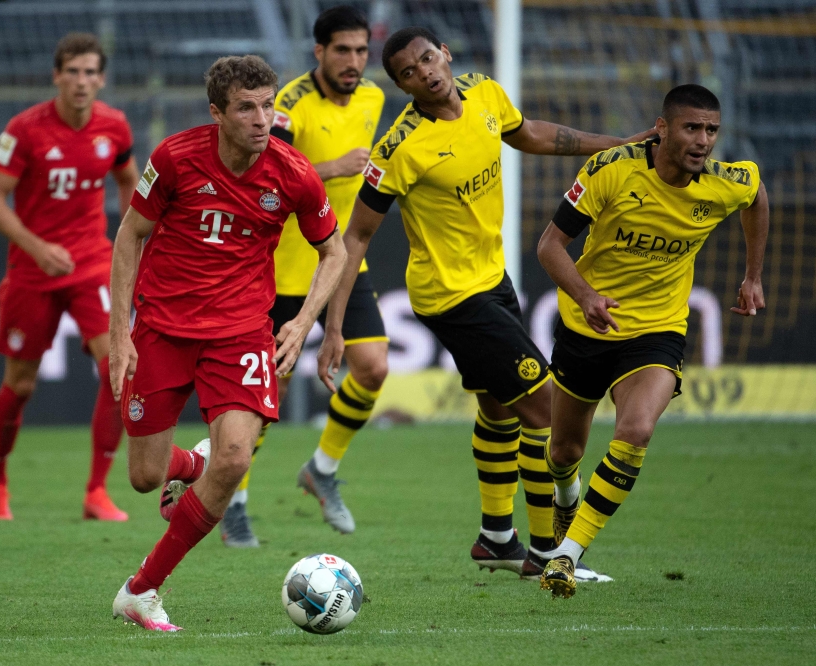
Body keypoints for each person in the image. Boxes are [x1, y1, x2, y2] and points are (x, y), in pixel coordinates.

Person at [316, 26, 653, 580]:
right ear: (403, 86)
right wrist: (335, 326)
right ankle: (549, 555)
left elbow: (533, 134)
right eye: (409, 71)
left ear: (445, 54)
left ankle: (497, 538)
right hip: (452, 297)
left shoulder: (486, 93)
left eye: (428, 58)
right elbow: (354, 238)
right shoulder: (401, 148)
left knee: (500, 409)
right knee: (544, 407)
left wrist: (618, 145)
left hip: (491, 279)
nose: (424, 72)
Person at [108, 55, 346, 631]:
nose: (262, 118)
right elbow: (129, 236)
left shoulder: (294, 173)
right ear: (217, 112)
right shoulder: (173, 158)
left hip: (240, 331)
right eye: (246, 107)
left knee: (238, 457)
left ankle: (142, 590)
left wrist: (303, 320)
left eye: (268, 105)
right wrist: (121, 334)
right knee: (144, 477)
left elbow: (334, 250)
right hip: (162, 328)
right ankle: (195, 463)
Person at [535, 84, 769, 598]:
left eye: (711, 130)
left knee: (636, 430)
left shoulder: (727, 180)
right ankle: (563, 502)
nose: (703, 140)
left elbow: (756, 196)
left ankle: (566, 557)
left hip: (657, 331)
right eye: (692, 127)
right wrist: (586, 294)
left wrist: (753, 275)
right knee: (563, 450)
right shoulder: (611, 170)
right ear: (662, 128)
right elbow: (550, 246)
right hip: (585, 326)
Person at [220, 5, 387, 546]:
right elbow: (265, 168)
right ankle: (232, 500)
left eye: (362, 51)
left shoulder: (373, 98)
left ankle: (323, 468)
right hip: (281, 268)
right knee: (266, 393)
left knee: (372, 367)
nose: (354, 61)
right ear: (319, 52)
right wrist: (334, 167)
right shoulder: (287, 106)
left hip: (338, 260)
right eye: (343, 50)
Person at [0, 32, 139, 522]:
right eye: (73, 71)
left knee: (118, 368)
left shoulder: (113, 125)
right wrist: (37, 247)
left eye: (91, 72)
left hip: (92, 261)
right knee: (21, 384)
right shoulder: (25, 130)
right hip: (32, 269)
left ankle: (96, 492)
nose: (82, 81)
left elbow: (129, 179)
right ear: (57, 76)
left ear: (102, 78)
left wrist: (131, 234)